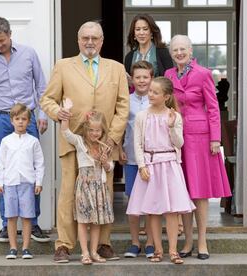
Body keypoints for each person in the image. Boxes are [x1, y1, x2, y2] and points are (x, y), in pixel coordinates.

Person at [40, 21, 129, 263]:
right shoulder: (63, 66)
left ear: (101, 41)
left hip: (105, 144)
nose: (90, 42)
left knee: (105, 193)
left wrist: (111, 139)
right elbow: (47, 99)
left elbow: (123, 106)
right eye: (85, 38)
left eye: (94, 38)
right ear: (78, 41)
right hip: (73, 143)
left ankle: (103, 244)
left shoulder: (117, 68)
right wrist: (58, 113)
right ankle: (64, 245)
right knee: (69, 192)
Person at [0, 16, 50, 243]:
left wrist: (43, 114)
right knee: (6, 172)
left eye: (1, 40)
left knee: (31, 168)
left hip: (27, 117)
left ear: (9, 33)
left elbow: (42, 87)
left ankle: (33, 223)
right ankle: (5, 224)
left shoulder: (29, 54)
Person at [164, 35, 232, 260]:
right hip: (176, 138)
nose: (179, 53)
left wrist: (216, 139)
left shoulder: (203, 74)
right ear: (171, 53)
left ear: (191, 51)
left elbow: (213, 108)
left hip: (201, 139)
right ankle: (188, 241)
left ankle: (202, 240)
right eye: (175, 50)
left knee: (200, 191)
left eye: (183, 49)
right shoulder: (168, 75)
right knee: (182, 190)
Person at [126, 77, 196, 265]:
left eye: (155, 92)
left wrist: (172, 126)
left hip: (169, 166)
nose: (150, 94)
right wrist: (141, 166)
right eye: (150, 91)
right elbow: (138, 144)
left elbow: (179, 143)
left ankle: (173, 250)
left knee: (172, 211)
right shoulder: (142, 116)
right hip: (150, 166)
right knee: (152, 211)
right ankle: (157, 249)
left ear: (166, 96)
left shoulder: (174, 116)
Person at [60, 103, 114, 265]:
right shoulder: (80, 142)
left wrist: (105, 163)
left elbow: (110, 167)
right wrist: (67, 112)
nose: (94, 133)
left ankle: (93, 251)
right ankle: (84, 253)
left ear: (102, 131)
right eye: (91, 130)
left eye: (97, 130)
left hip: (99, 186)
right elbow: (66, 133)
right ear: (86, 130)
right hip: (84, 185)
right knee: (83, 221)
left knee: (96, 221)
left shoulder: (104, 147)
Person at [0, 103, 45, 260]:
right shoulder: (6, 141)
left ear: (29, 121)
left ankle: (26, 247)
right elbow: (0, 163)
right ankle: (13, 247)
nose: (21, 122)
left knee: (27, 216)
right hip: (10, 183)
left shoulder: (33, 141)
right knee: (11, 216)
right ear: (12, 121)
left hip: (27, 184)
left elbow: (39, 163)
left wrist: (38, 182)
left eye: (24, 119)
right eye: (17, 119)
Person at [119, 61, 154, 258]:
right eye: (138, 77)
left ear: (151, 78)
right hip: (132, 157)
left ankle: (149, 242)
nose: (142, 81)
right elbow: (121, 125)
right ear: (132, 79)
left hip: (151, 159)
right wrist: (118, 148)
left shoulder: (155, 99)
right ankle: (134, 243)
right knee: (133, 201)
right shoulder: (127, 100)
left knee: (149, 202)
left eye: (145, 77)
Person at [124, 14, 174, 82]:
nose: (141, 33)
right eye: (138, 29)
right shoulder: (129, 57)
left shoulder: (163, 52)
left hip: (159, 92)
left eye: (145, 29)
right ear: (134, 34)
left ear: (151, 32)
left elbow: (170, 80)